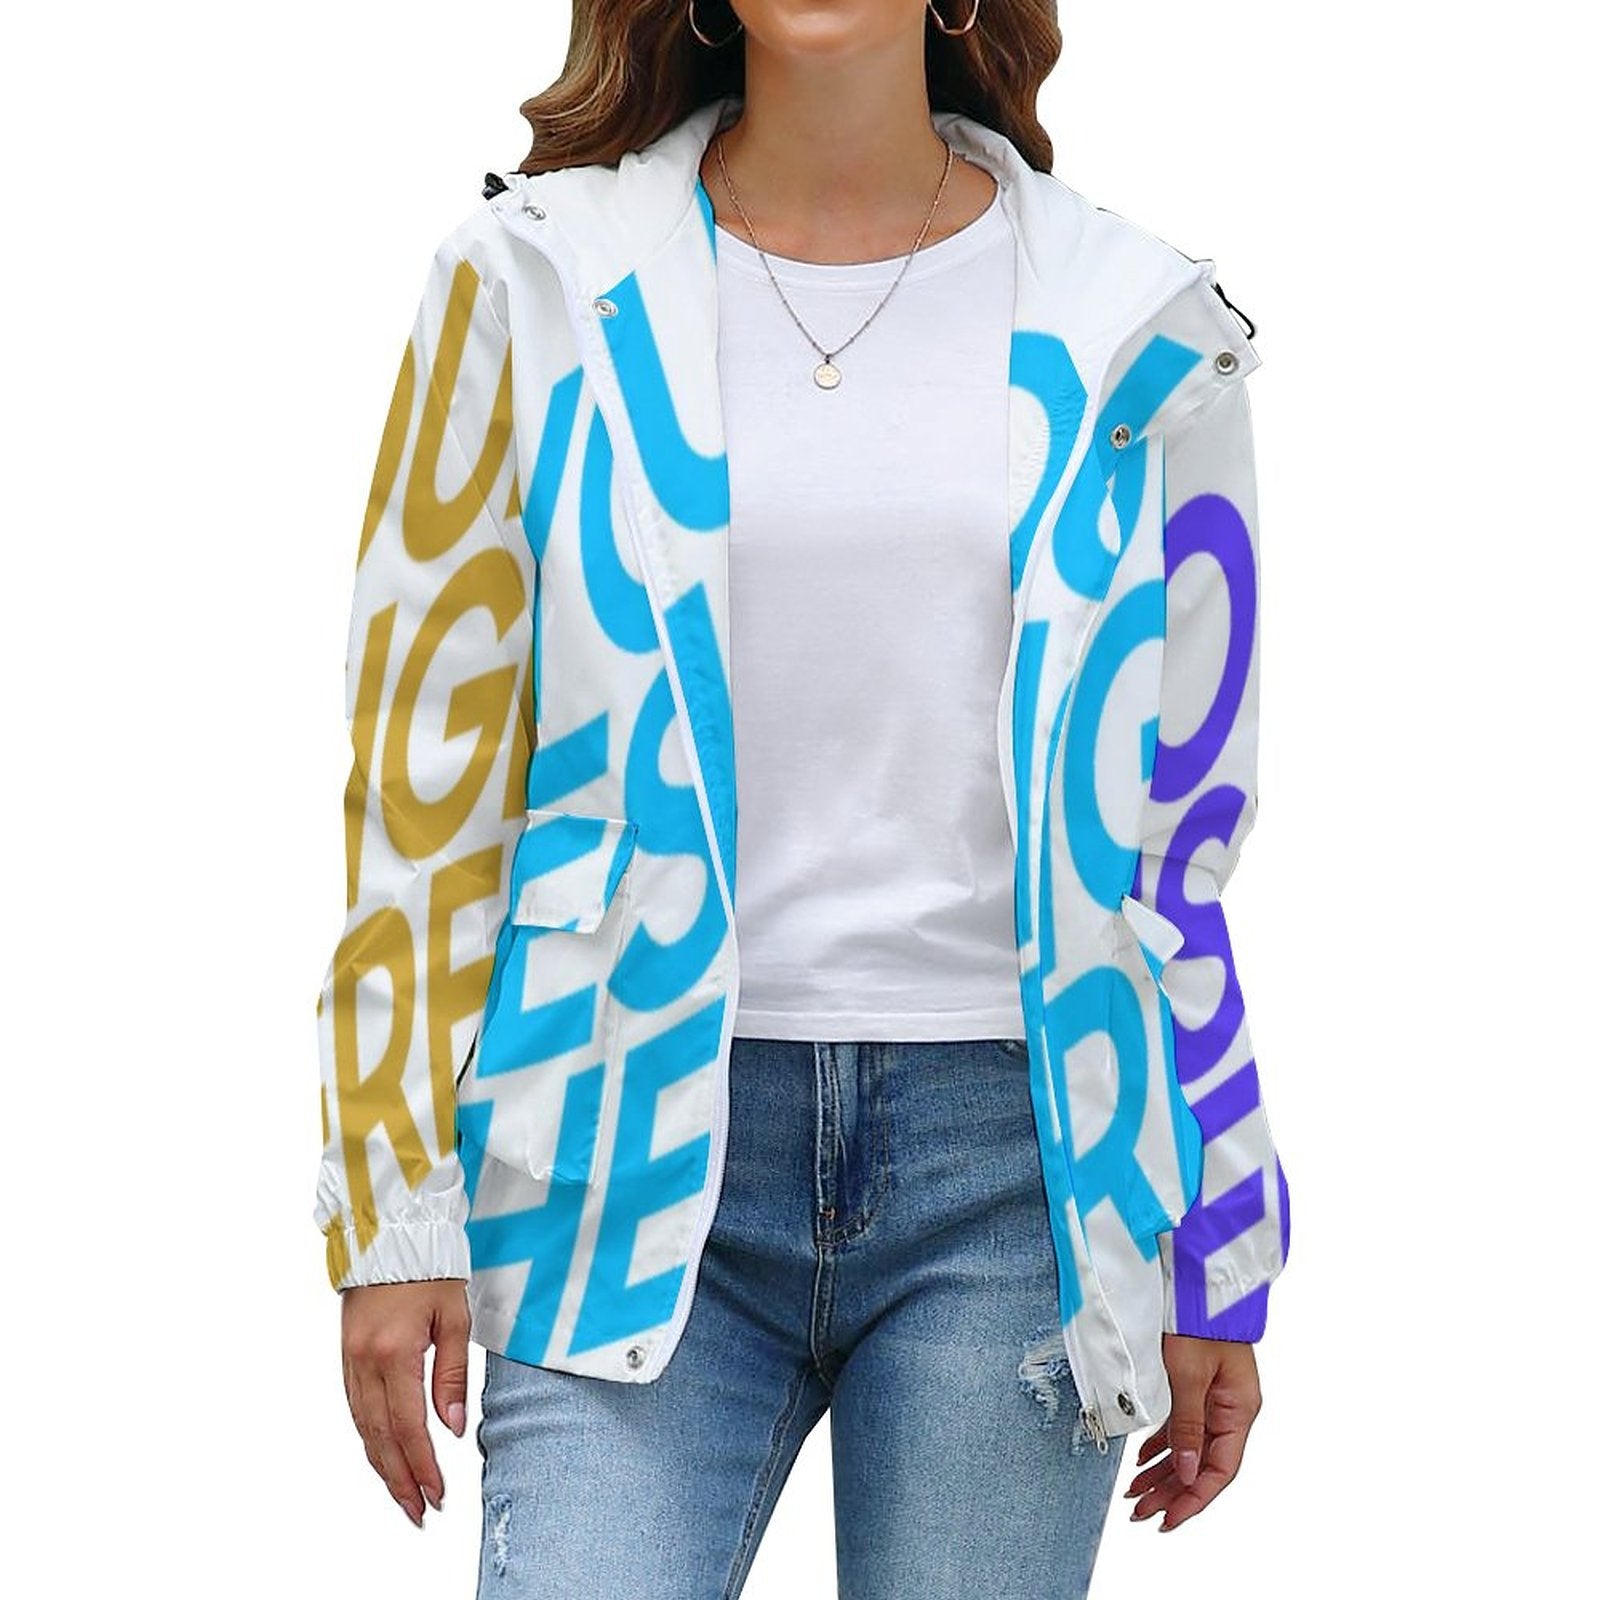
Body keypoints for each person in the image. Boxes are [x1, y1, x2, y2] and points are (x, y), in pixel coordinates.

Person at [311, 2, 1292, 1594]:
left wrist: (1218, 1245)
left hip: (1017, 1173)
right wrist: (390, 1206)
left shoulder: (1138, 322)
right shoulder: (536, 285)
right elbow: (425, 792)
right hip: (615, 1143)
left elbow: (1183, 838)